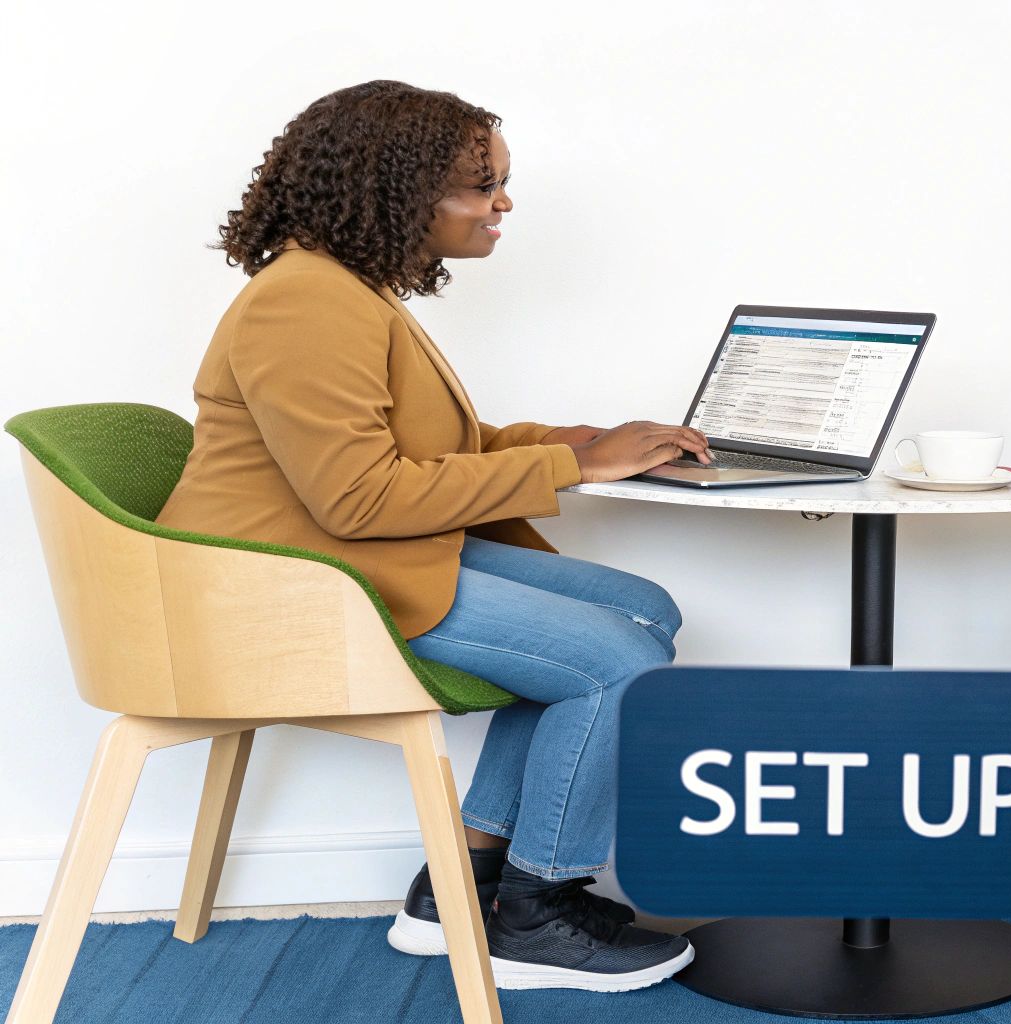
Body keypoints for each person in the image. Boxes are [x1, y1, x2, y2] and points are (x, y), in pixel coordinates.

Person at [156, 80, 714, 994]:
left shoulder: (344, 288)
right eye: (478, 183)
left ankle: (460, 882)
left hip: (336, 557)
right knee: (619, 662)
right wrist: (579, 469)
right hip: (294, 587)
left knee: (641, 609)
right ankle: (539, 913)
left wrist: (582, 444)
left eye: (500, 181)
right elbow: (360, 498)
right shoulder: (304, 302)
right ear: (396, 187)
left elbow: (417, 452)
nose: (502, 203)